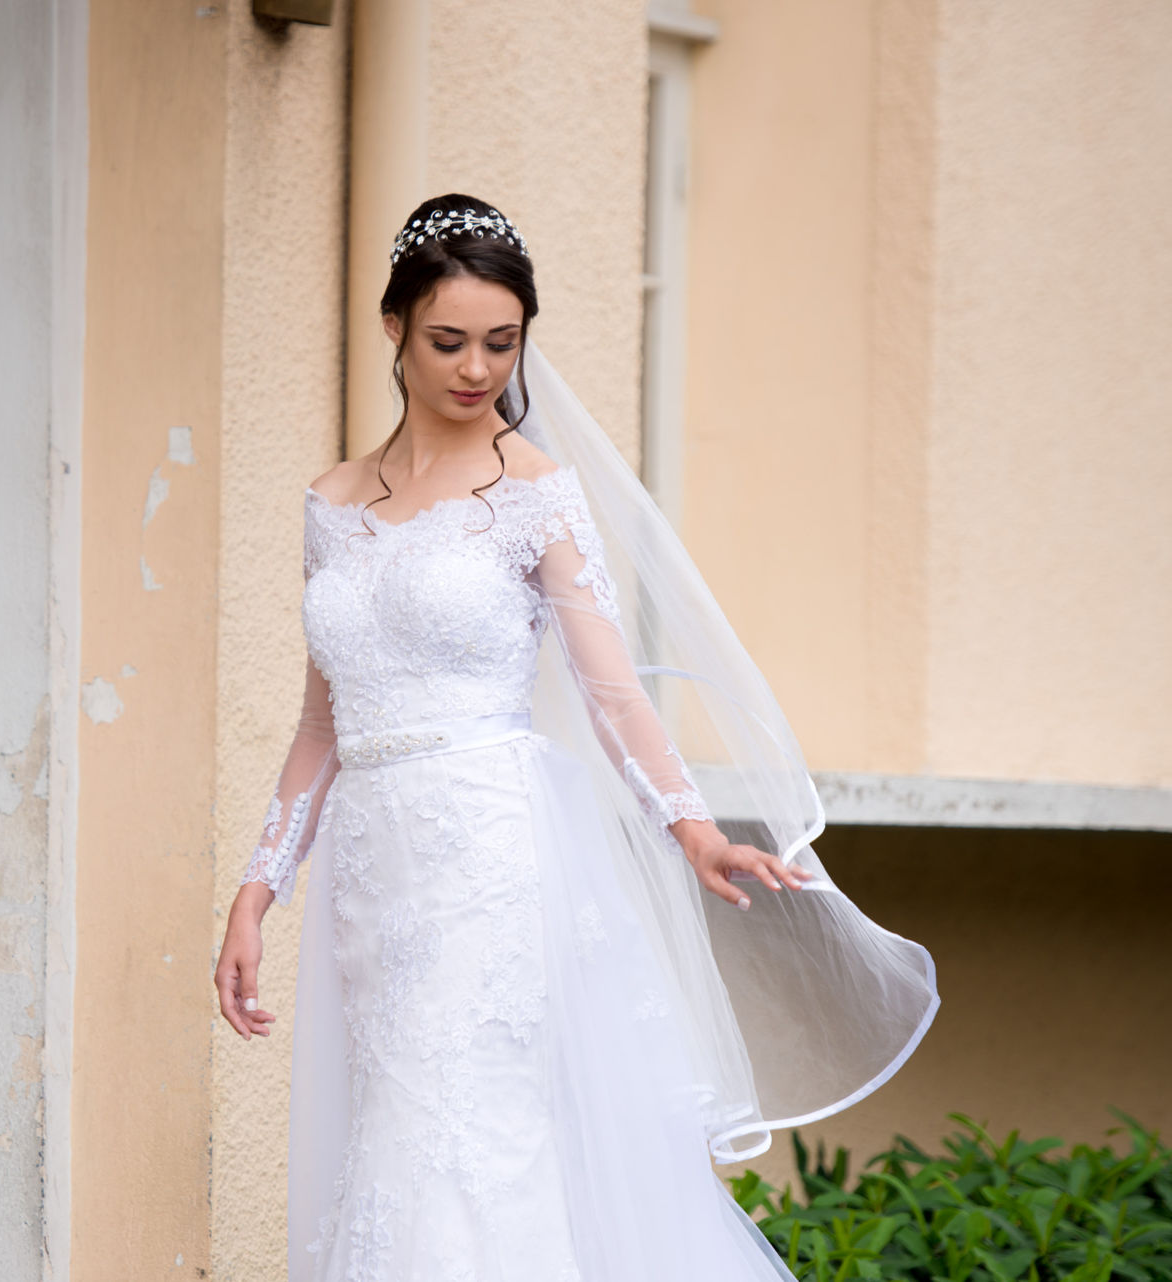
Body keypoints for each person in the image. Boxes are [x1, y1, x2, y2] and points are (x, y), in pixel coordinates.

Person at [213, 195, 939, 1282]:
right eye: (449, 341)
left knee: (466, 1128)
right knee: (395, 1126)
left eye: (501, 345)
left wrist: (693, 829)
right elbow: (323, 721)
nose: (476, 370)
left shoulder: (537, 494)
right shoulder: (329, 504)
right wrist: (257, 888)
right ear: (395, 330)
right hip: (375, 865)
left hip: (488, 852)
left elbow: (614, 694)